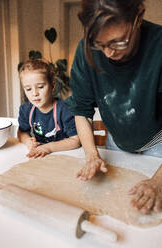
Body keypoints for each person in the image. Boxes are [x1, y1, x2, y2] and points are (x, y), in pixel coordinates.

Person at [67, 0, 162, 214]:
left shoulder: (159, 47)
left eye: (118, 42)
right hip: (116, 141)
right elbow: (81, 111)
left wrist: (158, 182)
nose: (108, 53)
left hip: (159, 142)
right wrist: (92, 155)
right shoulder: (85, 51)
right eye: (99, 45)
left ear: (139, 16)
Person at [17, 59, 80, 159]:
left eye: (40, 87)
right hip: (40, 156)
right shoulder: (26, 109)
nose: (34, 93)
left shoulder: (64, 110)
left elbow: (76, 140)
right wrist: (28, 141)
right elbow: (22, 132)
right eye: (28, 89)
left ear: (52, 86)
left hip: (65, 155)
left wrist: (48, 148)